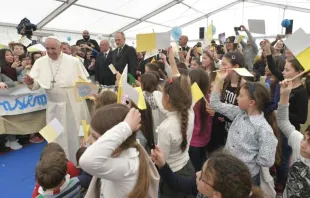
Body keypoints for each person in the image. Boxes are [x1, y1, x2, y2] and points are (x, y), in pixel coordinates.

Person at [23, 36, 90, 163]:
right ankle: (59, 162)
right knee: (55, 136)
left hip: (73, 105)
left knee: (75, 134)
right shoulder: (40, 62)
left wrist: (92, 93)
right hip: (53, 106)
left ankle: (80, 161)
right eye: (47, 48)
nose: (50, 51)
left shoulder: (73, 61)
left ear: (60, 48)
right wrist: (31, 82)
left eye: (53, 48)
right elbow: (36, 83)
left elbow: (84, 82)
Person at [210, 70, 278, 185]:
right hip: (228, 170)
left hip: (246, 177)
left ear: (251, 102)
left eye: (240, 95)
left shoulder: (263, 128)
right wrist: (220, 80)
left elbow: (267, 160)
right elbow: (215, 104)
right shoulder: (239, 112)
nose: (237, 98)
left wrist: (248, 160)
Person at [79, 105, 159, 198]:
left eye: (95, 137)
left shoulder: (128, 165)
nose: (88, 140)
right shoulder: (128, 151)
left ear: (116, 142)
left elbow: (86, 161)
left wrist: (126, 126)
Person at [151, 146, 264, 198]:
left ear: (216, 195)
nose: (197, 174)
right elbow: (178, 183)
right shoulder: (205, 187)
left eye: (202, 177)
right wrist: (162, 165)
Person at [277, 79, 310, 198]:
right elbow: (283, 121)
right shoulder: (298, 140)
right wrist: (285, 94)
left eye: (309, 143)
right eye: (305, 138)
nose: (303, 144)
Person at [188, 69, 213, 172]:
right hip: (205, 139)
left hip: (192, 142)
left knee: (195, 169)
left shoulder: (191, 102)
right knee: (201, 164)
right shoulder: (209, 99)